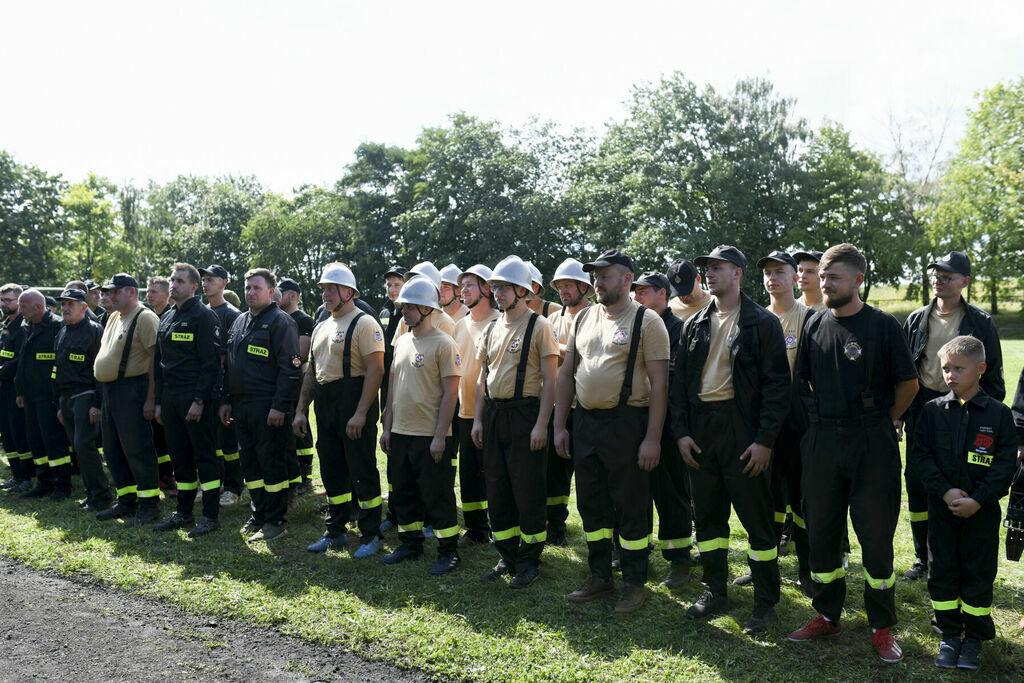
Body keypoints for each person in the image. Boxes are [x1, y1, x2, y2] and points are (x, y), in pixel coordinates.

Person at [787, 244, 918, 664]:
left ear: (859, 280)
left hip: (871, 441)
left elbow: (908, 386)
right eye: (822, 277)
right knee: (822, 531)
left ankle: (881, 627)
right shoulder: (813, 324)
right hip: (823, 439)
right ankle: (827, 614)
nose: (824, 284)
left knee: (876, 537)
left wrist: (881, 422)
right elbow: (805, 381)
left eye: (834, 277)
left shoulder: (882, 325)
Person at [671, 246, 789, 634]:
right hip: (702, 430)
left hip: (742, 430)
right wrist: (683, 433)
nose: (709, 274)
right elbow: (680, 385)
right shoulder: (694, 323)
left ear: (738, 273)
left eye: (717, 268)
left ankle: (765, 600)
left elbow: (777, 387)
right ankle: (714, 590)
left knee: (757, 520)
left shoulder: (762, 322)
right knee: (706, 516)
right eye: (706, 268)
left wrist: (765, 440)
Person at [554, 249, 669, 614]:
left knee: (632, 505)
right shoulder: (585, 317)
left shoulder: (647, 322)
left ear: (626, 280)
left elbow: (661, 385)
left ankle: (634, 582)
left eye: (605, 276)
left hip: (628, 425)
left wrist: (652, 438)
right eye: (596, 277)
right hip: (586, 423)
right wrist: (559, 424)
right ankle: (600, 575)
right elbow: (566, 373)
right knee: (591, 503)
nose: (598, 283)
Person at [910, 336, 1017, 670]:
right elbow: (920, 458)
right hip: (942, 513)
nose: (950, 375)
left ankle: (973, 639)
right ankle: (949, 634)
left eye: (959, 368)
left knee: (977, 573)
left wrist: (978, 499)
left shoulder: (999, 415)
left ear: (980, 369)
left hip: (980, 515)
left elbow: (1004, 466)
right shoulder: (931, 411)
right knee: (942, 572)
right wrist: (945, 492)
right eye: (945, 369)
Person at [899, 251, 1004, 581]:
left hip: (964, 408)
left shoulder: (980, 322)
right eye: (935, 275)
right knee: (917, 481)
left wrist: (982, 415)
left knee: (958, 478)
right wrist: (899, 415)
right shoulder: (916, 319)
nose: (938, 280)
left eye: (946, 276)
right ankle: (922, 558)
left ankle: (956, 554)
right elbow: (903, 372)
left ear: (964, 282)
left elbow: (994, 377)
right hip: (922, 408)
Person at [471, 256, 559, 588]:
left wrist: (541, 424)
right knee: (497, 485)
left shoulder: (540, 326)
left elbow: (551, 381)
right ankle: (506, 555)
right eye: (494, 287)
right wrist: (478, 420)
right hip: (494, 416)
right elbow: (483, 378)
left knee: (528, 488)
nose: (498, 293)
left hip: (525, 415)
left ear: (521, 290)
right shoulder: (492, 327)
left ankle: (529, 560)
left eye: (504, 288)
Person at [294, 263, 385, 556]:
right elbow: (311, 373)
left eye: (331, 289)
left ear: (348, 292)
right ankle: (336, 531)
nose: (325, 294)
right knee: (332, 468)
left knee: (362, 468)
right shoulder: (321, 325)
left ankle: (370, 534)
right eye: (323, 289)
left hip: (353, 401)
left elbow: (376, 371)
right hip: (325, 403)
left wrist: (360, 413)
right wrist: (300, 410)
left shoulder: (365, 323)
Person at [379, 275, 462, 574]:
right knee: (403, 492)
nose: (404, 312)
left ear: (427, 309)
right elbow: (391, 389)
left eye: (410, 307)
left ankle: (448, 551)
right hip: (401, 433)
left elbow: (451, 394)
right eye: (403, 307)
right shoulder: (401, 342)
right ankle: (410, 543)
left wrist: (441, 436)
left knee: (438, 495)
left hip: (430, 436)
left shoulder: (444, 343)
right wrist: (387, 428)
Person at [748, 250, 813, 595]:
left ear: (795, 278)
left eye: (779, 272)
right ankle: (764, 567)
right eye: (767, 273)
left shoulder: (810, 318)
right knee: (766, 499)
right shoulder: (755, 319)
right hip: (762, 424)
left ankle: (807, 570)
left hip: (798, 424)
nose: (772, 278)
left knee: (801, 500)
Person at [221, 268, 301, 542]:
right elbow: (230, 365)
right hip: (241, 406)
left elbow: (290, 370)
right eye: (247, 288)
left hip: (268, 407)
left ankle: (276, 521)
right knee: (251, 464)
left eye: (256, 288)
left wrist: (280, 406)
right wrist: (227, 401)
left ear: (271, 292)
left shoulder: (281, 322)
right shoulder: (240, 321)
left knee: (272, 465)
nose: (250, 293)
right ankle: (260, 513)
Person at [152, 263, 224, 537]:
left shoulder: (203, 317)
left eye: (180, 281)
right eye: (172, 280)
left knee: (204, 456)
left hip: (195, 398)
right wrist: (159, 402)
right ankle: (183, 512)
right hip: (170, 398)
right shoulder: (168, 317)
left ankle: (210, 515)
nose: (174, 285)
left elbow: (211, 365)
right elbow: (161, 365)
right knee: (179, 457)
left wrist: (199, 400)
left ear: (194, 287)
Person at [632, 271, 693, 590]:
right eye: (636, 292)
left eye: (643, 292)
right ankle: (633, 553)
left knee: (671, 492)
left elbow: (677, 380)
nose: (637, 297)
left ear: (662, 294)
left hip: (668, 424)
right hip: (634, 420)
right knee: (635, 491)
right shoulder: (634, 324)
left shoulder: (679, 330)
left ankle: (680, 559)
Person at [93, 274, 164, 525]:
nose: (109, 296)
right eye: (108, 292)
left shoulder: (145, 317)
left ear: (131, 292)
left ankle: (149, 505)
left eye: (115, 292)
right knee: (112, 450)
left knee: (138, 449)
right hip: (111, 391)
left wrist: (151, 399)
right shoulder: (114, 316)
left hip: (133, 390)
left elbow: (156, 361)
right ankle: (126, 502)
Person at [544, 258, 594, 546]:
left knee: (589, 473)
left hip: (586, 406)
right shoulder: (553, 319)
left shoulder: (596, 315)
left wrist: (559, 348)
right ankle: (556, 526)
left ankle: (600, 533)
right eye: (559, 286)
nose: (562, 291)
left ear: (583, 287)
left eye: (567, 285)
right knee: (554, 472)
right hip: (557, 407)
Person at [452, 264, 498, 544]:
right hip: (464, 411)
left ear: (487, 289)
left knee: (493, 474)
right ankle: (476, 529)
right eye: (462, 286)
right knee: (468, 475)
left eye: (470, 285)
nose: (463, 291)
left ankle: (500, 528)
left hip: (491, 413)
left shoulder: (499, 322)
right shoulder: (459, 325)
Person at [53, 288, 110, 511]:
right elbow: (57, 368)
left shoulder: (95, 331)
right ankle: (91, 493)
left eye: (70, 304)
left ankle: (102, 495)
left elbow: (100, 370)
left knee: (83, 445)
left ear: (84, 307)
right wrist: (59, 401)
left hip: (86, 396)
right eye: (63, 304)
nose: (65, 308)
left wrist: (97, 403)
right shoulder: (62, 332)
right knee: (78, 448)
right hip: (66, 399)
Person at [14, 289, 70, 500]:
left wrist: (59, 395)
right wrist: (20, 390)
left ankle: (62, 485)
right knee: (36, 441)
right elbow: (23, 360)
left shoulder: (57, 326)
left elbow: (61, 363)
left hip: (49, 396)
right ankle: (44, 482)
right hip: (30, 396)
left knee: (53, 441)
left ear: (39, 307)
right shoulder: (26, 326)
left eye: (23, 307)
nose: (20, 311)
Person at [200, 264, 243, 507]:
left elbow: (232, 357)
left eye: (211, 279)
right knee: (209, 441)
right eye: (204, 279)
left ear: (224, 283)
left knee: (228, 442)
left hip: (224, 388)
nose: (206, 283)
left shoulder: (233, 315)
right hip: (204, 386)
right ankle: (211, 484)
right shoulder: (201, 313)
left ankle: (234, 487)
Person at [279, 277, 317, 494]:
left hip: (297, 380)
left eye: (281, 293)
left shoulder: (303, 320)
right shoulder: (276, 318)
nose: (276, 297)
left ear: (292, 295)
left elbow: (301, 354)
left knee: (300, 428)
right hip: (279, 381)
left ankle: (306, 478)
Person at [0, 283, 33, 492]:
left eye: (8, 300)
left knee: (19, 432)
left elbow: (21, 359)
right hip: (2, 389)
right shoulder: (4, 325)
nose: (4, 304)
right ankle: (16, 474)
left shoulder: (24, 326)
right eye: (2, 300)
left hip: (15, 388)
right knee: (7, 433)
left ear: (19, 303)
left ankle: (27, 477)